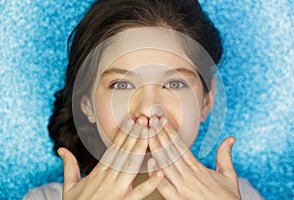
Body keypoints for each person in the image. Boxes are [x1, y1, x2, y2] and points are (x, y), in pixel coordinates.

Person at [23, 0, 263, 199]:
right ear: (86, 104)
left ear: (206, 102)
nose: (148, 110)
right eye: (121, 85)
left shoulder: (241, 195)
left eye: (175, 84)